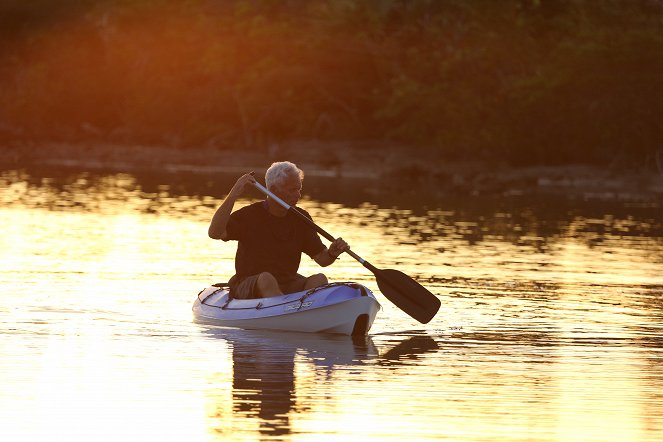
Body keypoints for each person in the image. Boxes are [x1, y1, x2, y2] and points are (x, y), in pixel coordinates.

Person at [208, 161, 349, 299]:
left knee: (319, 279)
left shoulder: (301, 218)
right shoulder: (249, 215)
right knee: (266, 279)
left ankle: (300, 312)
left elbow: (322, 259)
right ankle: (287, 311)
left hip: (287, 283)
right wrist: (233, 194)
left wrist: (332, 253)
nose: (298, 195)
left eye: (299, 189)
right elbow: (215, 233)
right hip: (248, 283)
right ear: (274, 190)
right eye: (292, 190)